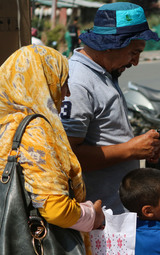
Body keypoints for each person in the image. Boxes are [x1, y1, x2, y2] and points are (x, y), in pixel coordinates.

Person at [0, 45, 105, 253]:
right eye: (62, 82)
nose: (67, 93)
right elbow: (55, 208)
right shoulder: (35, 131)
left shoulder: (5, 124)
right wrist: (92, 216)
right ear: (43, 82)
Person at [61, 2, 160, 214]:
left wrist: (141, 147)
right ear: (110, 45)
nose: (135, 62)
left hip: (116, 211)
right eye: (133, 52)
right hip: (98, 216)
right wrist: (130, 150)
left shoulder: (104, 71)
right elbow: (67, 157)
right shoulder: (79, 82)